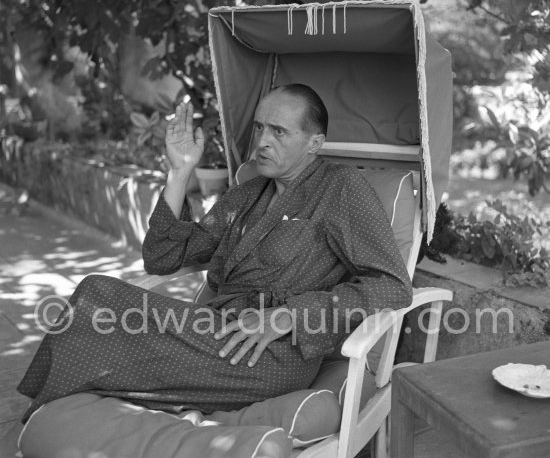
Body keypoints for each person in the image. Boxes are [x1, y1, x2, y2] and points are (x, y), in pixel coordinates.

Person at [17, 84, 412, 422]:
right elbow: (164, 257)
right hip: (214, 329)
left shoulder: (341, 188)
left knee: (99, 308)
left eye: (278, 131)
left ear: (315, 143)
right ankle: (58, 415)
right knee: (97, 303)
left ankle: (46, 416)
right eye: (259, 127)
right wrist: (180, 172)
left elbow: (393, 286)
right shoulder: (249, 192)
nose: (261, 142)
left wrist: (290, 315)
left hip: (269, 354)